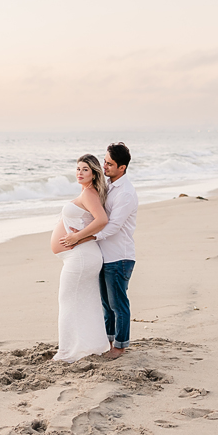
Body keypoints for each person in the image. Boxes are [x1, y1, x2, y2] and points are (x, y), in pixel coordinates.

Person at [65, 142, 138, 360]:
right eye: (104, 162)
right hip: (104, 255)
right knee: (106, 304)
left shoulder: (125, 193)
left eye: (109, 164)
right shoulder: (108, 185)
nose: (104, 166)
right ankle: (108, 340)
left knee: (118, 304)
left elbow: (112, 226)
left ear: (122, 168)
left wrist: (81, 237)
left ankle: (120, 346)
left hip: (119, 256)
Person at [50, 154, 110, 362]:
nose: (80, 173)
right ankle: (90, 346)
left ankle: (66, 353)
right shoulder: (87, 193)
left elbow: (102, 220)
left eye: (85, 169)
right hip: (80, 257)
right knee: (84, 303)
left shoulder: (89, 194)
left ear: (94, 173)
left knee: (68, 302)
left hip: (81, 257)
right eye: (77, 169)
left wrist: (77, 236)